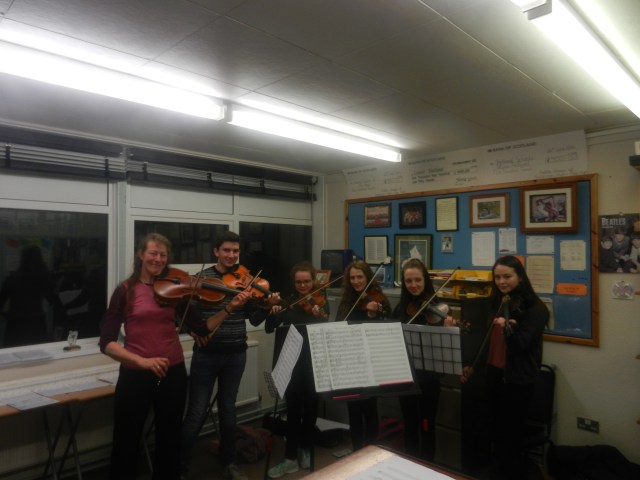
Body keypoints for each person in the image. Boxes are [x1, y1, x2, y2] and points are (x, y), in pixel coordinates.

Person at [99, 233, 232, 480]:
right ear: (141, 255)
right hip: (136, 373)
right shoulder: (125, 290)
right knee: (126, 438)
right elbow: (106, 342)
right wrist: (142, 361)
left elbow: (202, 329)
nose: (158, 259)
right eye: (153, 253)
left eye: (163, 255)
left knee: (169, 438)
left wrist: (229, 308)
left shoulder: (174, 290)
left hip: (172, 372)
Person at [180, 231, 280, 480]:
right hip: (207, 354)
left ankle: (230, 463)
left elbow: (253, 319)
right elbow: (186, 315)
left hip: (236, 353)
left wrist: (267, 306)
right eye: (226, 250)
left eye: (235, 251)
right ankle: (179, 467)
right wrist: (193, 331)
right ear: (216, 251)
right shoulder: (203, 279)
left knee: (228, 411)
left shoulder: (245, 280)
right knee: (196, 413)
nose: (231, 255)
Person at [461, 255, 548, 480]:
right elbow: (488, 343)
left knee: (509, 439)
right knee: (489, 432)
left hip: (517, 382)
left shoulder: (536, 309)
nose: (501, 282)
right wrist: (473, 366)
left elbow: (519, 346)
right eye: (497, 277)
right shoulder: (498, 303)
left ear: (520, 277)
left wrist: (508, 328)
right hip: (493, 376)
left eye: (507, 276)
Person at [265, 261, 329, 478]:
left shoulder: (320, 303)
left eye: (307, 281)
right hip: (292, 364)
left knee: (311, 409)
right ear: (294, 282)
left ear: (313, 281)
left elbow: (326, 325)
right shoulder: (287, 303)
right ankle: (290, 457)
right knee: (292, 411)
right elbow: (269, 328)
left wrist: (319, 315)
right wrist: (273, 312)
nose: (303, 286)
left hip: (313, 364)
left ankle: (306, 449)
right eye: (299, 282)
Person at [391, 258, 456, 461]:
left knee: (427, 425)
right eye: (408, 281)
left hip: (429, 378)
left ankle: (428, 466)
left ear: (425, 280)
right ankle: (411, 465)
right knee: (409, 424)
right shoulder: (400, 309)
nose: (413, 285)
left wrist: (448, 330)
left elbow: (446, 348)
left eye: (418, 280)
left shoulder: (439, 308)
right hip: (406, 377)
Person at [335, 260, 391, 451]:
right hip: (351, 360)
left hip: (370, 362)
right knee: (353, 409)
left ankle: (372, 450)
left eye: (360, 277)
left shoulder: (379, 300)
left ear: (368, 278)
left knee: (369, 407)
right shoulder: (347, 301)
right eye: (352, 278)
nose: (356, 281)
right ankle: (356, 450)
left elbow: (384, 329)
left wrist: (372, 316)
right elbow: (339, 324)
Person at [0, 245, 64, 347]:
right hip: (36, 323)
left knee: (13, 353)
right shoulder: (43, 278)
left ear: (22, 259)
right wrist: (59, 323)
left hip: (16, 323)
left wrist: (7, 315)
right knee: (35, 353)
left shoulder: (13, 278)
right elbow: (56, 303)